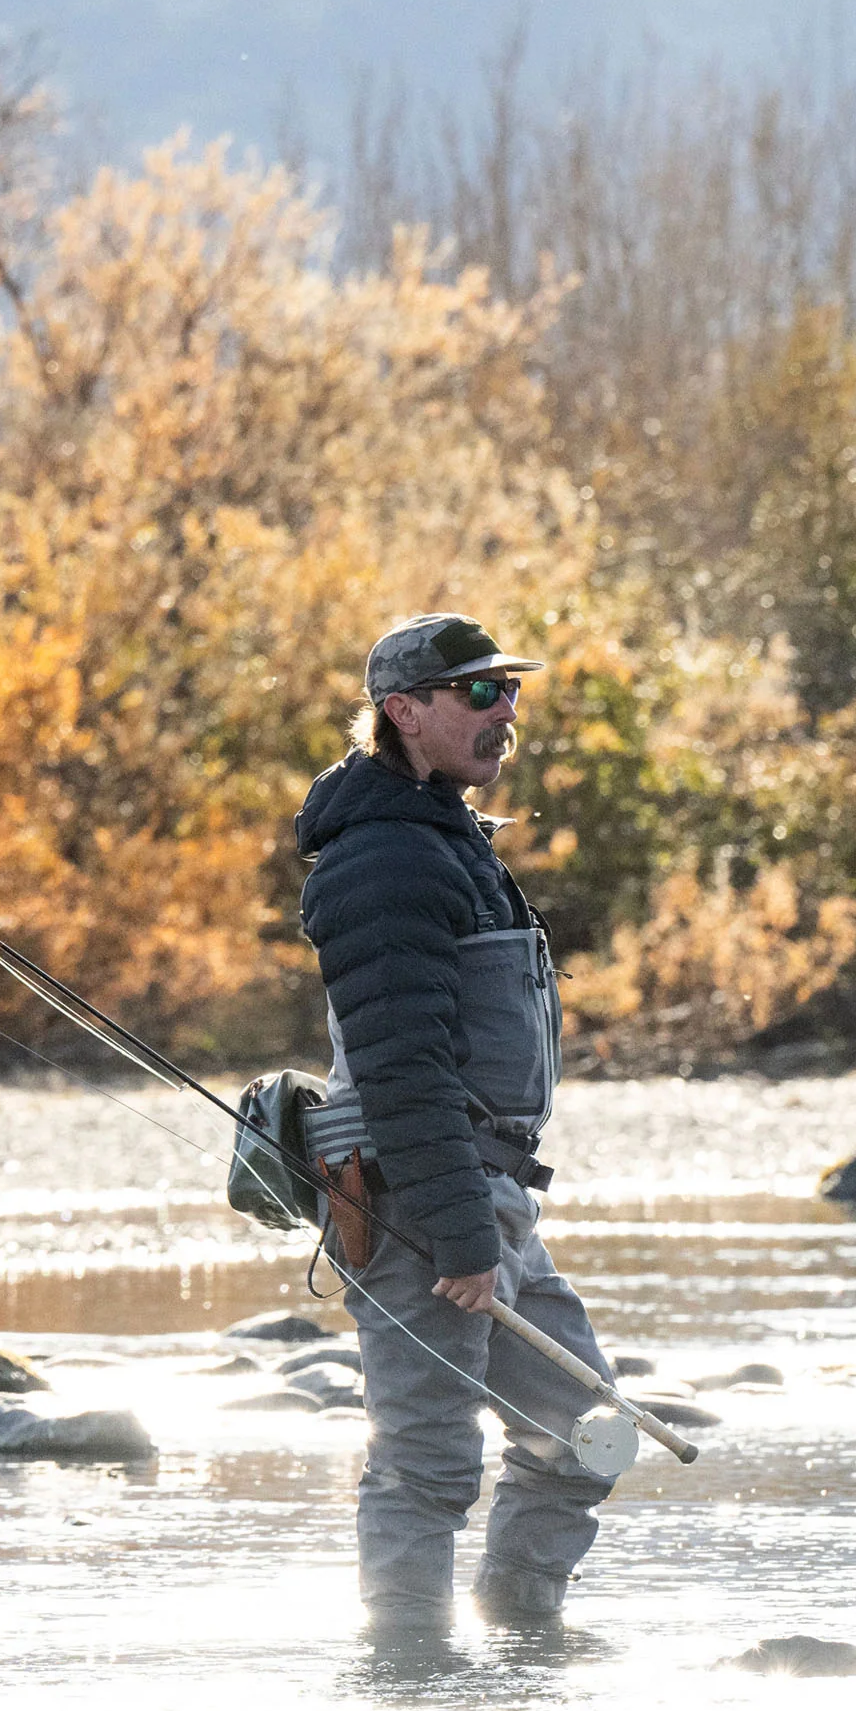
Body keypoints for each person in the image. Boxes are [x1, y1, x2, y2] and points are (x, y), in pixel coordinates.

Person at [294, 612, 617, 1633]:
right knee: (427, 1467)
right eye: (478, 693)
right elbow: (402, 1071)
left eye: (509, 689)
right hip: (420, 1215)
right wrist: (466, 1240)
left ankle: (522, 1643)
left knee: (591, 1433)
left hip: (486, 1201)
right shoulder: (386, 860)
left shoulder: (442, 839)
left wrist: (489, 1225)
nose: (504, 709)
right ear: (403, 712)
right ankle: (407, 1689)